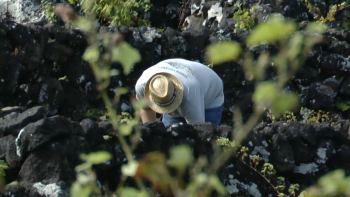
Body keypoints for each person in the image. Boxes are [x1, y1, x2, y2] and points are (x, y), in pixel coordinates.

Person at [135, 58, 224, 127]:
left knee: (206, 143)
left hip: (210, 95)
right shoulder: (143, 86)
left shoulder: (190, 98)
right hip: (187, 77)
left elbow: (199, 132)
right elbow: (146, 109)